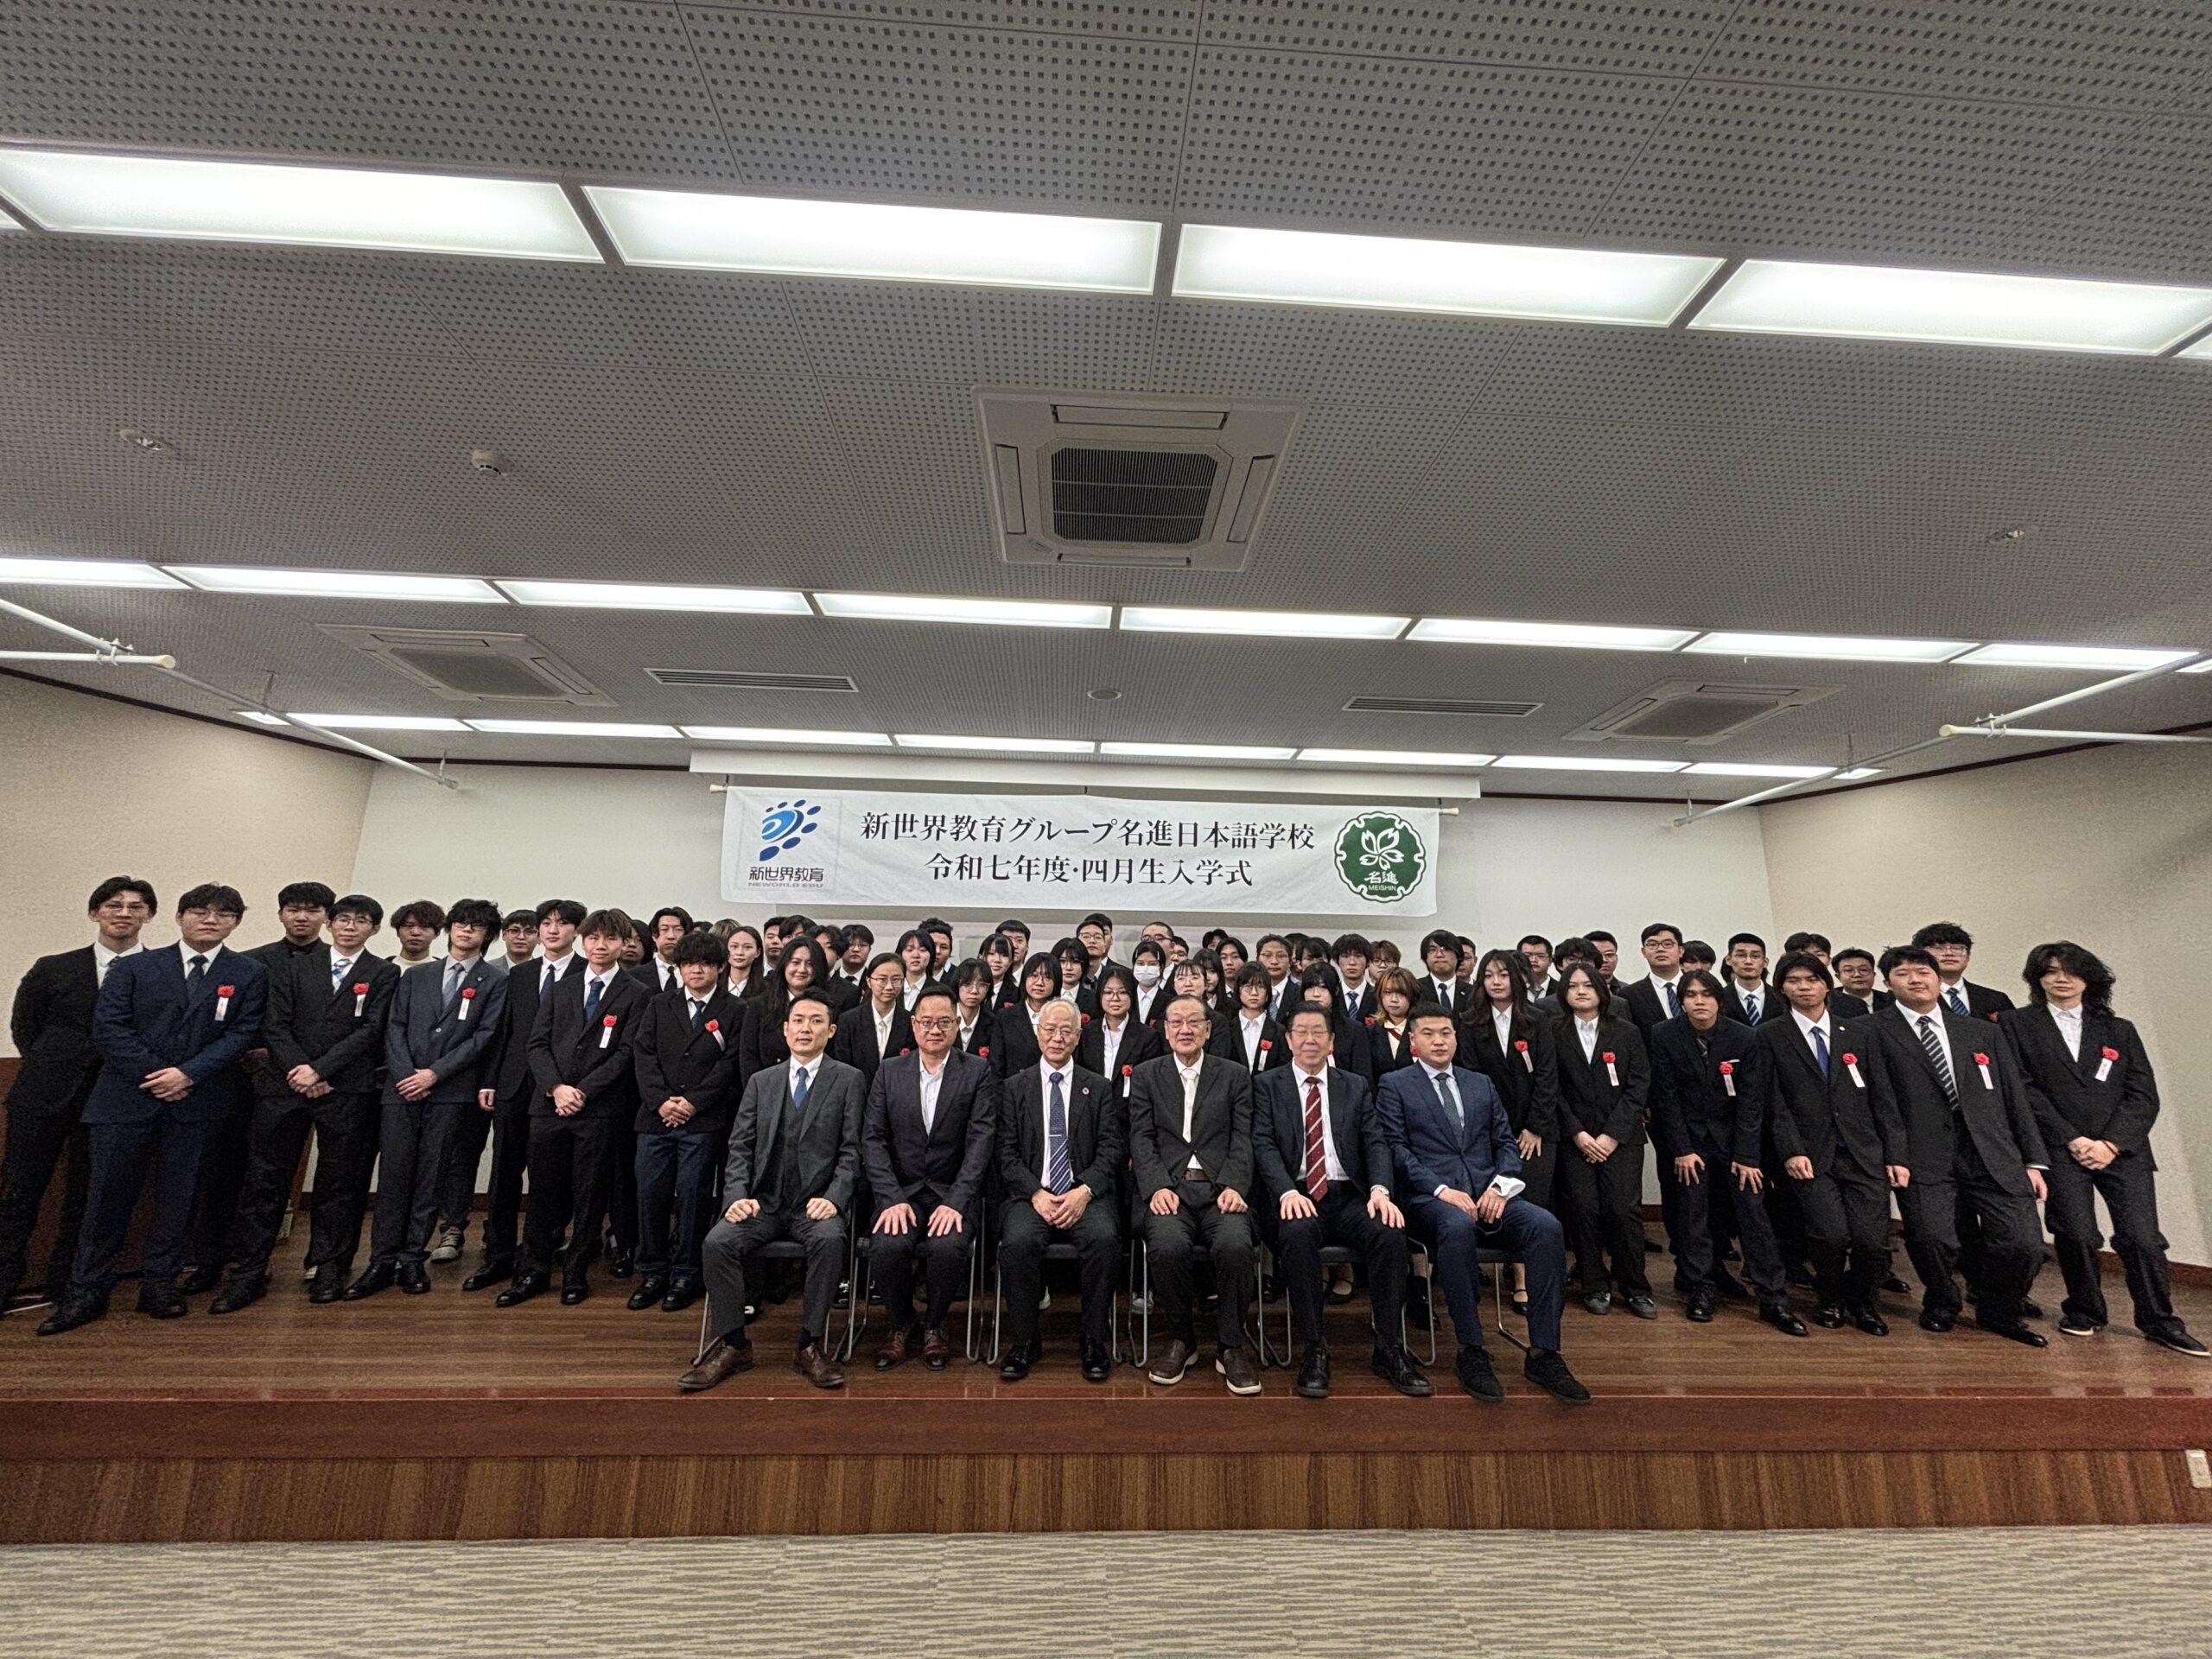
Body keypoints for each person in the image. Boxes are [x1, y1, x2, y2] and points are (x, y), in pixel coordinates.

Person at [40, 883, 267, 1334]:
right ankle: (86, 1291)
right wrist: (159, 1075)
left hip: (198, 1102)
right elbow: (109, 1027)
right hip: (126, 1099)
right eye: (199, 911)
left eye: (223, 914)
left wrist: (188, 1075)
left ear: (236, 923)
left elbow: (242, 1033)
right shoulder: (136, 966)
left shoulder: (249, 972)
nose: (210, 920)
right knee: (104, 1200)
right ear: (179, 918)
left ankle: (160, 1285)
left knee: (178, 1201)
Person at [1376, 1002, 1589, 1405]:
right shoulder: (1395, 1084)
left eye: (1446, 1033)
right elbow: (1396, 1150)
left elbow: (1505, 1142)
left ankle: (1545, 1352)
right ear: (1413, 1041)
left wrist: (1500, 1187)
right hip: (1430, 1200)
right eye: (1428, 1034)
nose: (1439, 1041)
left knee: (1546, 1227)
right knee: (1456, 1226)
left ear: (1456, 1038)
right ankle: (1471, 1349)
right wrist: (1441, 1190)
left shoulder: (1480, 1083)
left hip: (1490, 1195)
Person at [2001, 943, 2203, 1356]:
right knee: (2075, 1234)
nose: (2062, 978)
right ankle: (2085, 1310)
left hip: (2122, 1150)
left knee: (2142, 1238)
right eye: (2051, 971)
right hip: (2060, 1147)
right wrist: (2073, 1139)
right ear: (2037, 978)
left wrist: (2111, 1143)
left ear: (2089, 979)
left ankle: (2160, 1321)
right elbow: (2022, 1090)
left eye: (2071, 971)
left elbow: (2143, 1094)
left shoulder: (2119, 1029)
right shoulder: (2014, 1024)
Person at [209, 893, 397, 1313]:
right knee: (265, 1179)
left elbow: (371, 1030)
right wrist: (300, 1069)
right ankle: (249, 1271)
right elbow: (275, 1024)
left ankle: (329, 1267)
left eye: (361, 920)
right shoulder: (293, 967)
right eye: (343, 919)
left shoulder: (383, 972)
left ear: (374, 929)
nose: (350, 926)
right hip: (284, 1085)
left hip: (345, 1089)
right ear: (329, 923)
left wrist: (321, 1070)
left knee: (340, 1182)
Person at [1862, 944, 2047, 1346]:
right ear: (1887, 983)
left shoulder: (1982, 1032)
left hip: (1992, 1152)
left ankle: (1999, 1309)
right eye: (1903, 974)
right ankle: (1943, 1301)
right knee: (1931, 1239)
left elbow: (2015, 1098)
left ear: (1937, 978)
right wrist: (1893, 1153)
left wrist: (2034, 1160)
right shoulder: (1869, 1031)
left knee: (2024, 1243)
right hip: (1920, 1153)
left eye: (1923, 972)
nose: (1916, 980)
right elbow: (1878, 1100)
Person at [680, 988, 862, 1393]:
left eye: (816, 1021)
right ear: (785, 1029)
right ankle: (733, 1344)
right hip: (762, 1203)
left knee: (830, 1241)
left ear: (831, 1031)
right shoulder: (762, 1081)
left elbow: (852, 1150)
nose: (805, 1028)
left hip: (814, 1205)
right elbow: (740, 1146)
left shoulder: (848, 1079)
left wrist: (834, 1198)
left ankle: (810, 1344)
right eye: (798, 1020)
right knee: (717, 1242)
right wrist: (735, 1198)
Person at [1253, 1001, 1428, 1400]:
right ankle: (1314, 1347)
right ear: (1288, 1040)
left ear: (1331, 1040)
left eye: (1318, 1032)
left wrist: (1380, 1190)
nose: (1309, 1039)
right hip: (1296, 1194)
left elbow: (1375, 1142)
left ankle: (1388, 1347)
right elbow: (1262, 1144)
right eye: (1301, 1032)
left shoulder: (1354, 1084)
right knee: (1296, 1234)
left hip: (1350, 1195)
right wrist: (1285, 1191)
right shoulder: (1267, 1085)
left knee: (1389, 1232)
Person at [0, 876, 154, 1311]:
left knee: (89, 1196)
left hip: (115, 1098)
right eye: (113, 905)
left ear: (149, 916)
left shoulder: (159, 972)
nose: (124, 913)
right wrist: (55, 1066)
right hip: (44, 1095)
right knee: (19, 1191)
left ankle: (67, 1282)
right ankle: (5, 1279)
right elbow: (26, 1029)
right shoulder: (53, 967)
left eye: (135, 907)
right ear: (94, 913)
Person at [345, 899, 507, 1300]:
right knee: (394, 1175)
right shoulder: (418, 975)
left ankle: (413, 1257)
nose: (466, 931)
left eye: (476, 926)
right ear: (449, 929)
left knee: (431, 1176)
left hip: (451, 1091)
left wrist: (434, 1073)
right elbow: (394, 1027)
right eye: (461, 923)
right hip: (401, 1089)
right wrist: (407, 1075)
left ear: (488, 935)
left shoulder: (494, 980)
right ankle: (381, 1260)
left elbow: (484, 1036)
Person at [499, 910, 648, 1307]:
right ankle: (532, 1271)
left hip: (599, 1110)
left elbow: (627, 1053)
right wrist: (556, 1088)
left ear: (623, 944)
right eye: (594, 938)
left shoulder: (636, 992)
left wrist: (582, 1092)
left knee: (590, 1195)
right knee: (542, 1193)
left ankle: (576, 1272)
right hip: (549, 1106)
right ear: (583, 941)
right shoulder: (560, 987)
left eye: (610, 939)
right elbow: (536, 1044)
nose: (601, 946)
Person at [1648, 971, 1805, 1336]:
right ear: (1681, 1001)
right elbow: (1666, 1098)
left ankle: (1773, 1298)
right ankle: (1701, 1288)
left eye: (1706, 994)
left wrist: (1747, 1156)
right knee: (1693, 1214)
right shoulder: (1664, 1035)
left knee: (1754, 1215)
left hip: (1737, 1140)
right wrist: (1682, 1150)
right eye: (1691, 995)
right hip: (1690, 1142)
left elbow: (1752, 1101)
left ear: (1719, 999)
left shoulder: (1745, 1037)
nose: (1699, 1001)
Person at [1756, 950, 1899, 1336]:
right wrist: (1791, 1150)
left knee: (1873, 1241)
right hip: (1810, 1154)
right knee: (1830, 1235)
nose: (1804, 987)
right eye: (1794, 981)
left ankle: (1864, 1302)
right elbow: (1774, 1102)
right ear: (1781, 988)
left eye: (1812, 980)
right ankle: (1830, 1297)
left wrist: (1895, 1154)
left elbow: (1884, 1098)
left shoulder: (1859, 1032)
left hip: (1864, 1152)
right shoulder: (1770, 1035)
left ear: (1827, 985)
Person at [1128, 995, 1262, 1395]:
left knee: (1236, 1245)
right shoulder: (1147, 1075)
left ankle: (1231, 1344)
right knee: (1167, 1246)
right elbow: (1141, 1138)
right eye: (1176, 1022)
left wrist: (1235, 1184)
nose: (1184, 1030)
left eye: (1193, 1022)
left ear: (1207, 1029)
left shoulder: (1234, 1074)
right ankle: (1181, 1339)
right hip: (1169, 1189)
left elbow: (1243, 1137)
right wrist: (1157, 1186)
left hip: (1221, 1189)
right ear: (1165, 1030)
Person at [862, 987, 1000, 1370]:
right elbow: (873, 1139)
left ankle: (935, 1325)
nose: (934, 1030)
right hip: (901, 1192)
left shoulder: (977, 1071)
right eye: (926, 1022)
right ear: (913, 1025)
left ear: (956, 1025)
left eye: (943, 1022)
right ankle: (902, 1322)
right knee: (887, 1246)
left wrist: (956, 1201)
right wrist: (891, 1198)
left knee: (948, 1247)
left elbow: (981, 1142)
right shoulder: (890, 1071)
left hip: (952, 1192)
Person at [995, 1000, 1120, 1382]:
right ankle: (1024, 1341)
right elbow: (1006, 1152)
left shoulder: (1098, 1087)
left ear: (1078, 1037)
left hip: (1084, 1194)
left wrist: (1084, 1191)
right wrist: (1035, 1193)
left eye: (1066, 1031)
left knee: (1104, 1240)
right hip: (1031, 1195)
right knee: (1017, 1243)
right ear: (1038, 1033)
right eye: (1050, 1029)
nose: (1057, 1038)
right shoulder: (1014, 1087)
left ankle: (1093, 1340)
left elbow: (1111, 1148)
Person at [461, 899, 582, 1292]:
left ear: (576, 931)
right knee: (503, 1173)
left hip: (558, 1088)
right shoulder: (520, 974)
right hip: (513, 1085)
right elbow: (503, 1032)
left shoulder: (586, 973)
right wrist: (489, 1081)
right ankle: (497, 1254)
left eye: (562, 924)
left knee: (550, 1177)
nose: (552, 930)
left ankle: (537, 1255)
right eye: (546, 923)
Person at [629, 928, 742, 1314]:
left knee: (695, 1199)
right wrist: (661, 1101)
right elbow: (643, 1054)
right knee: (650, 1196)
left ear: (720, 967)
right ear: (679, 967)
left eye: (706, 964)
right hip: (655, 1119)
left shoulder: (735, 1009)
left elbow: (730, 1064)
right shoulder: (659, 1003)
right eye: (690, 963)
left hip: (702, 1121)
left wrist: (693, 1103)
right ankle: (652, 1272)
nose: (697, 970)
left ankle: (686, 1274)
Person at [1551, 961, 1654, 1318]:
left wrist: (1611, 1135)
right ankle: (1594, 1284)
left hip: (1621, 1139)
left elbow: (1639, 1085)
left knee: (1623, 1211)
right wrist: (1578, 1133)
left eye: (1587, 985)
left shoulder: (1626, 1031)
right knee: (1584, 1211)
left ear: (1602, 990)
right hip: (1575, 1139)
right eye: (1572, 986)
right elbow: (1551, 1088)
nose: (1580, 991)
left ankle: (1635, 1287)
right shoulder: (1553, 1032)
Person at [1462, 950, 1560, 1308]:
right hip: (1486, 1130)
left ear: (1517, 980)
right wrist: (1493, 1130)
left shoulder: (1538, 1019)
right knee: (1488, 1200)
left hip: (1533, 1131)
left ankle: (1522, 1280)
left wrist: (1534, 1127)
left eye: (1503, 975)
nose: (1496, 982)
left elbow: (1548, 1077)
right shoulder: (1470, 1022)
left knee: (1529, 1203)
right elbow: (1470, 1077)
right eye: (1489, 975)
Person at [740, 936, 830, 1084]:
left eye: (810, 964)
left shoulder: (829, 1007)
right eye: (795, 962)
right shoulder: (759, 1006)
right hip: (767, 1087)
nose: (802, 969)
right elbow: (748, 1057)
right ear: (784, 965)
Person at [830, 952, 914, 1089]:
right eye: (882, 979)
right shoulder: (849, 1021)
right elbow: (842, 1068)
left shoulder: (911, 1022)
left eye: (896, 980)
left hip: (897, 1095)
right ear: (869, 981)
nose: (889, 986)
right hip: (858, 1094)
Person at [1077, 963, 1164, 1086]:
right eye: (1108, 992)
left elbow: (1148, 1081)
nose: (1115, 998)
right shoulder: (1086, 1032)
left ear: (1132, 995)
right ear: (1100, 996)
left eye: (1122, 992)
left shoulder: (1148, 1037)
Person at [1911, 923, 2013, 1021]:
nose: (1949, 953)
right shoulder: (1911, 997)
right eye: (1938, 948)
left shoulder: (1995, 999)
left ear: (1968, 956)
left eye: (1957, 948)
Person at [989, 952, 1064, 1077]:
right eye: (1034, 975)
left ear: (1056, 982)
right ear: (1025, 978)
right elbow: (996, 1066)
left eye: (1047, 977)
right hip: (1014, 1087)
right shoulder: (1005, 1017)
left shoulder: (1063, 1017)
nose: (1039, 983)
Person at [1211, 963, 1289, 1074]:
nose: (1254, 993)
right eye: (1248, 987)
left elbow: (1283, 1070)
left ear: (1268, 992)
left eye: (1261, 987)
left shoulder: (1279, 1031)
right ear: (1238, 990)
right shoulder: (1226, 1029)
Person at [1618, 922, 1688, 1033]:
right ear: (1643, 952)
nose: (1660, 949)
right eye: (1652, 944)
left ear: (1681, 951)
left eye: (1667, 944)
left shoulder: (1700, 987)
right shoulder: (1630, 995)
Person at [1364, 966, 1419, 1081]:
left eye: (1401, 993)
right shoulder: (1368, 1033)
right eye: (1388, 993)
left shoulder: (1420, 1031)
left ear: (1412, 996)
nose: (1394, 999)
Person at [1721, 933, 1782, 1026]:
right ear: (1728, 960)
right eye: (1741, 955)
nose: (1748, 961)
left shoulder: (1781, 997)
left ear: (1765, 962)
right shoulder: (1719, 998)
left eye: (1755, 956)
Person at [631, 907, 693, 995]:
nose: (671, 936)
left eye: (678, 929)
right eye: (664, 929)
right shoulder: (634, 977)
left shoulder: (697, 974)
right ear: (654, 936)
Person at [1415, 929, 1467, 1015]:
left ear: (1458, 955)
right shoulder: (1414, 989)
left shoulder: (1473, 993)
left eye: (1446, 949)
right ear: (1425, 958)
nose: (1439, 955)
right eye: (1432, 950)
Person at [1332, 934, 1377, 1026]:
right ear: (1337, 961)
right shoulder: (1331, 995)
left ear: (1368, 961)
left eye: (1358, 956)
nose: (1352, 962)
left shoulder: (1378, 996)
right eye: (1345, 956)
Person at [388, 900, 445, 972]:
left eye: (424, 926)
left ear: (436, 933)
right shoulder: (380, 969)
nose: (415, 932)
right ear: (398, 932)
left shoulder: (444, 972)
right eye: (409, 926)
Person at [1254, 933, 1298, 1023]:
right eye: (1267, 955)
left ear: (1290, 961)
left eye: (1281, 956)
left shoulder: (1300, 994)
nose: (1274, 962)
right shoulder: (1249, 993)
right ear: (1257, 959)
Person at [1128, 938, 1171, 1027]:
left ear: (1161, 967)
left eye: (1152, 964)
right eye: (1140, 963)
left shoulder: (1169, 1001)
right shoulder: (1126, 997)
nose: (1145, 968)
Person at [893, 929, 938, 1012]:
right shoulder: (890, 987)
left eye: (922, 950)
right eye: (909, 950)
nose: (916, 955)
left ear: (931, 955)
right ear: (900, 954)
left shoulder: (939, 991)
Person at [1831, 947, 1879, 1018]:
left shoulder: (1890, 1001)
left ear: (1874, 974)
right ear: (1838, 977)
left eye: (1863, 970)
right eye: (1849, 970)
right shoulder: (1827, 1003)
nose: (1857, 975)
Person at [723, 924, 766, 1001]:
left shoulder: (767, 990)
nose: (740, 953)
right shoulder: (713, 985)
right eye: (734, 946)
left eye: (747, 947)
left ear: (758, 952)